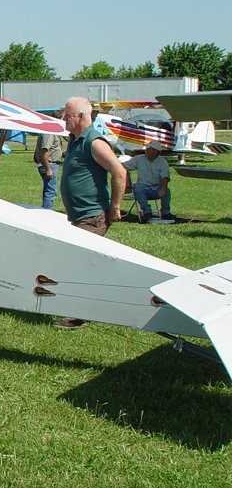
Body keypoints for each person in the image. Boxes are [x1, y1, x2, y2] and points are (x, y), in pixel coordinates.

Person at [54, 97, 127, 329]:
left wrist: (115, 206)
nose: (63, 119)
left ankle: (77, 315)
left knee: (78, 264)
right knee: (81, 262)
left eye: (68, 115)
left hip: (93, 216)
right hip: (79, 216)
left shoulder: (94, 142)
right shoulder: (74, 139)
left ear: (82, 117)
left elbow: (119, 172)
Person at [122, 140, 172, 222]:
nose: (147, 151)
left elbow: (165, 177)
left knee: (167, 191)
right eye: (147, 149)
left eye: (150, 149)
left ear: (156, 152)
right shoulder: (139, 159)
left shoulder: (163, 162)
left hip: (156, 187)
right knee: (138, 189)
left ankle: (165, 213)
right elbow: (125, 166)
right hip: (143, 187)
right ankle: (147, 212)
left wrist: (163, 188)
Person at [34, 131, 63, 209]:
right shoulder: (49, 133)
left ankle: (46, 209)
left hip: (49, 164)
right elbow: (44, 151)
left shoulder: (49, 132)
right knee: (50, 191)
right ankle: (47, 211)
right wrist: (48, 169)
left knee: (49, 190)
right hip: (49, 165)